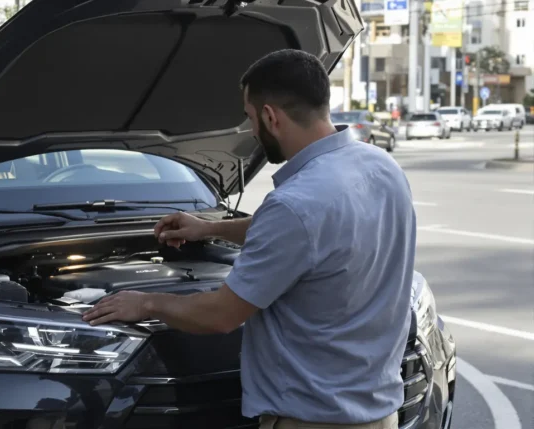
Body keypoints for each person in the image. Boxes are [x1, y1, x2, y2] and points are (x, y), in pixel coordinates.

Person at [83, 49, 416, 429]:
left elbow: (221, 316)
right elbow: (314, 232)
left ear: (270, 116)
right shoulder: (381, 167)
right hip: (380, 413)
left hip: (311, 420)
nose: (251, 130)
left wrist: (145, 302)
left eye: (249, 117)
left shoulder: (296, 205)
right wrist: (209, 228)